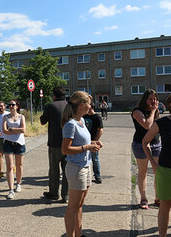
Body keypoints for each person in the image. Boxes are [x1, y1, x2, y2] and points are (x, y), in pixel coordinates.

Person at [61, 91, 103, 237]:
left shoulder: (82, 121)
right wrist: (87, 147)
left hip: (86, 165)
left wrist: (93, 143)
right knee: (72, 207)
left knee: (79, 205)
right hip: (76, 168)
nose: (91, 106)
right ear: (81, 105)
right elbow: (65, 149)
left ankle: (79, 234)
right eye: (89, 103)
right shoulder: (71, 125)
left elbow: (82, 142)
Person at [142, 91, 171, 236]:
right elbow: (145, 142)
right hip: (166, 171)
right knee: (165, 205)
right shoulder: (162, 123)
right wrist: (153, 163)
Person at [131, 89, 161, 209]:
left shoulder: (156, 110)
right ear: (145, 99)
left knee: (158, 172)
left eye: (155, 99)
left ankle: (158, 197)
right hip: (140, 144)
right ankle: (143, 199)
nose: (153, 101)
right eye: (150, 99)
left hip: (156, 143)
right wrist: (153, 111)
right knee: (142, 172)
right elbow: (147, 125)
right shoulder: (137, 111)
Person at [40, 87, 68, 202]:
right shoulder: (70, 105)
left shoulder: (51, 106)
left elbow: (42, 121)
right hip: (68, 142)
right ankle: (66, 196)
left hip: (54, 143)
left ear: (54, 95)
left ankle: (53, 193)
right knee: (67, 171)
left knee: (54, 170)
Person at [2, 99, 26, 199]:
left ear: (17, 106)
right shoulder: (5, 117)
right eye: (9, 105)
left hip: (19, 143)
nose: (11, 106)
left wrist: (11, 129)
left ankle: (18, 183)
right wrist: (16, 131)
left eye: (13, 104)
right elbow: (4, 131)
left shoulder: (21, 116)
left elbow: (23, 129)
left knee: (19, 165)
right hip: (8, 143)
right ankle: (11, 190)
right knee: (10, 167)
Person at [83, 100, 104, 184]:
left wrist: (95, 141)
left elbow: (100, 130)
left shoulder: (97, 117)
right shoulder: (83, 116)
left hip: (93, 142)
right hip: (84, 142)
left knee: (95, 159)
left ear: (90, 106)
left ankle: (97, 176)